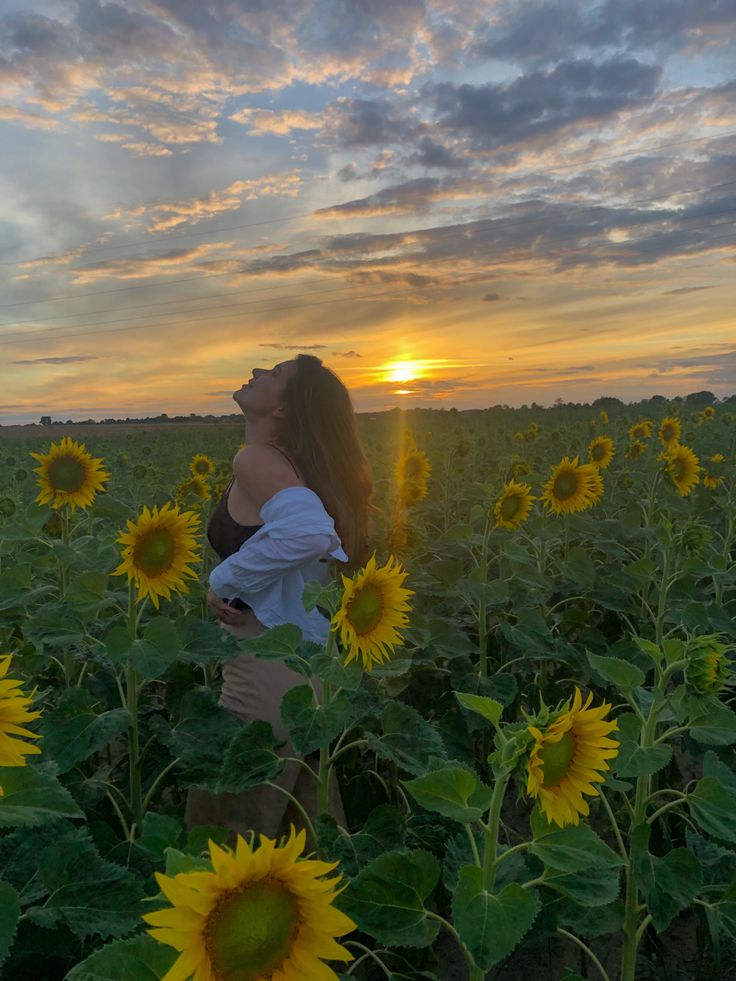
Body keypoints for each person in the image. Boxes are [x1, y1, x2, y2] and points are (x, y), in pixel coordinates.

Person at [185, 354, 374, 841]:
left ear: (286, 409)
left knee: (226, 842)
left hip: (264, 671)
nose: (256, 371)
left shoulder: (257, 461)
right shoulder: (294, 468)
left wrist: (224, 579)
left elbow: (310, 534)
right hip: (306, 674)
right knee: (306, 844)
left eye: (275, 374)